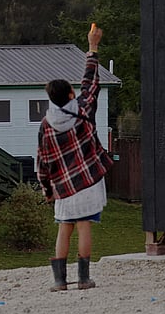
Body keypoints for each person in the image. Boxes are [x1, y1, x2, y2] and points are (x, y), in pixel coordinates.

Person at [36, 22, 114, 290]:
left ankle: (59, 281)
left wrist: (47, 191)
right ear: (71, 94)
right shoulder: (83, 109)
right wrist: (93, 46)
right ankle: (83, 278)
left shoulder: (46, 124)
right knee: (84, 227)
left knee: (64, 228)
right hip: (89, 181)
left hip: (63, 186)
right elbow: (90, 83)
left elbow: (43, 163)